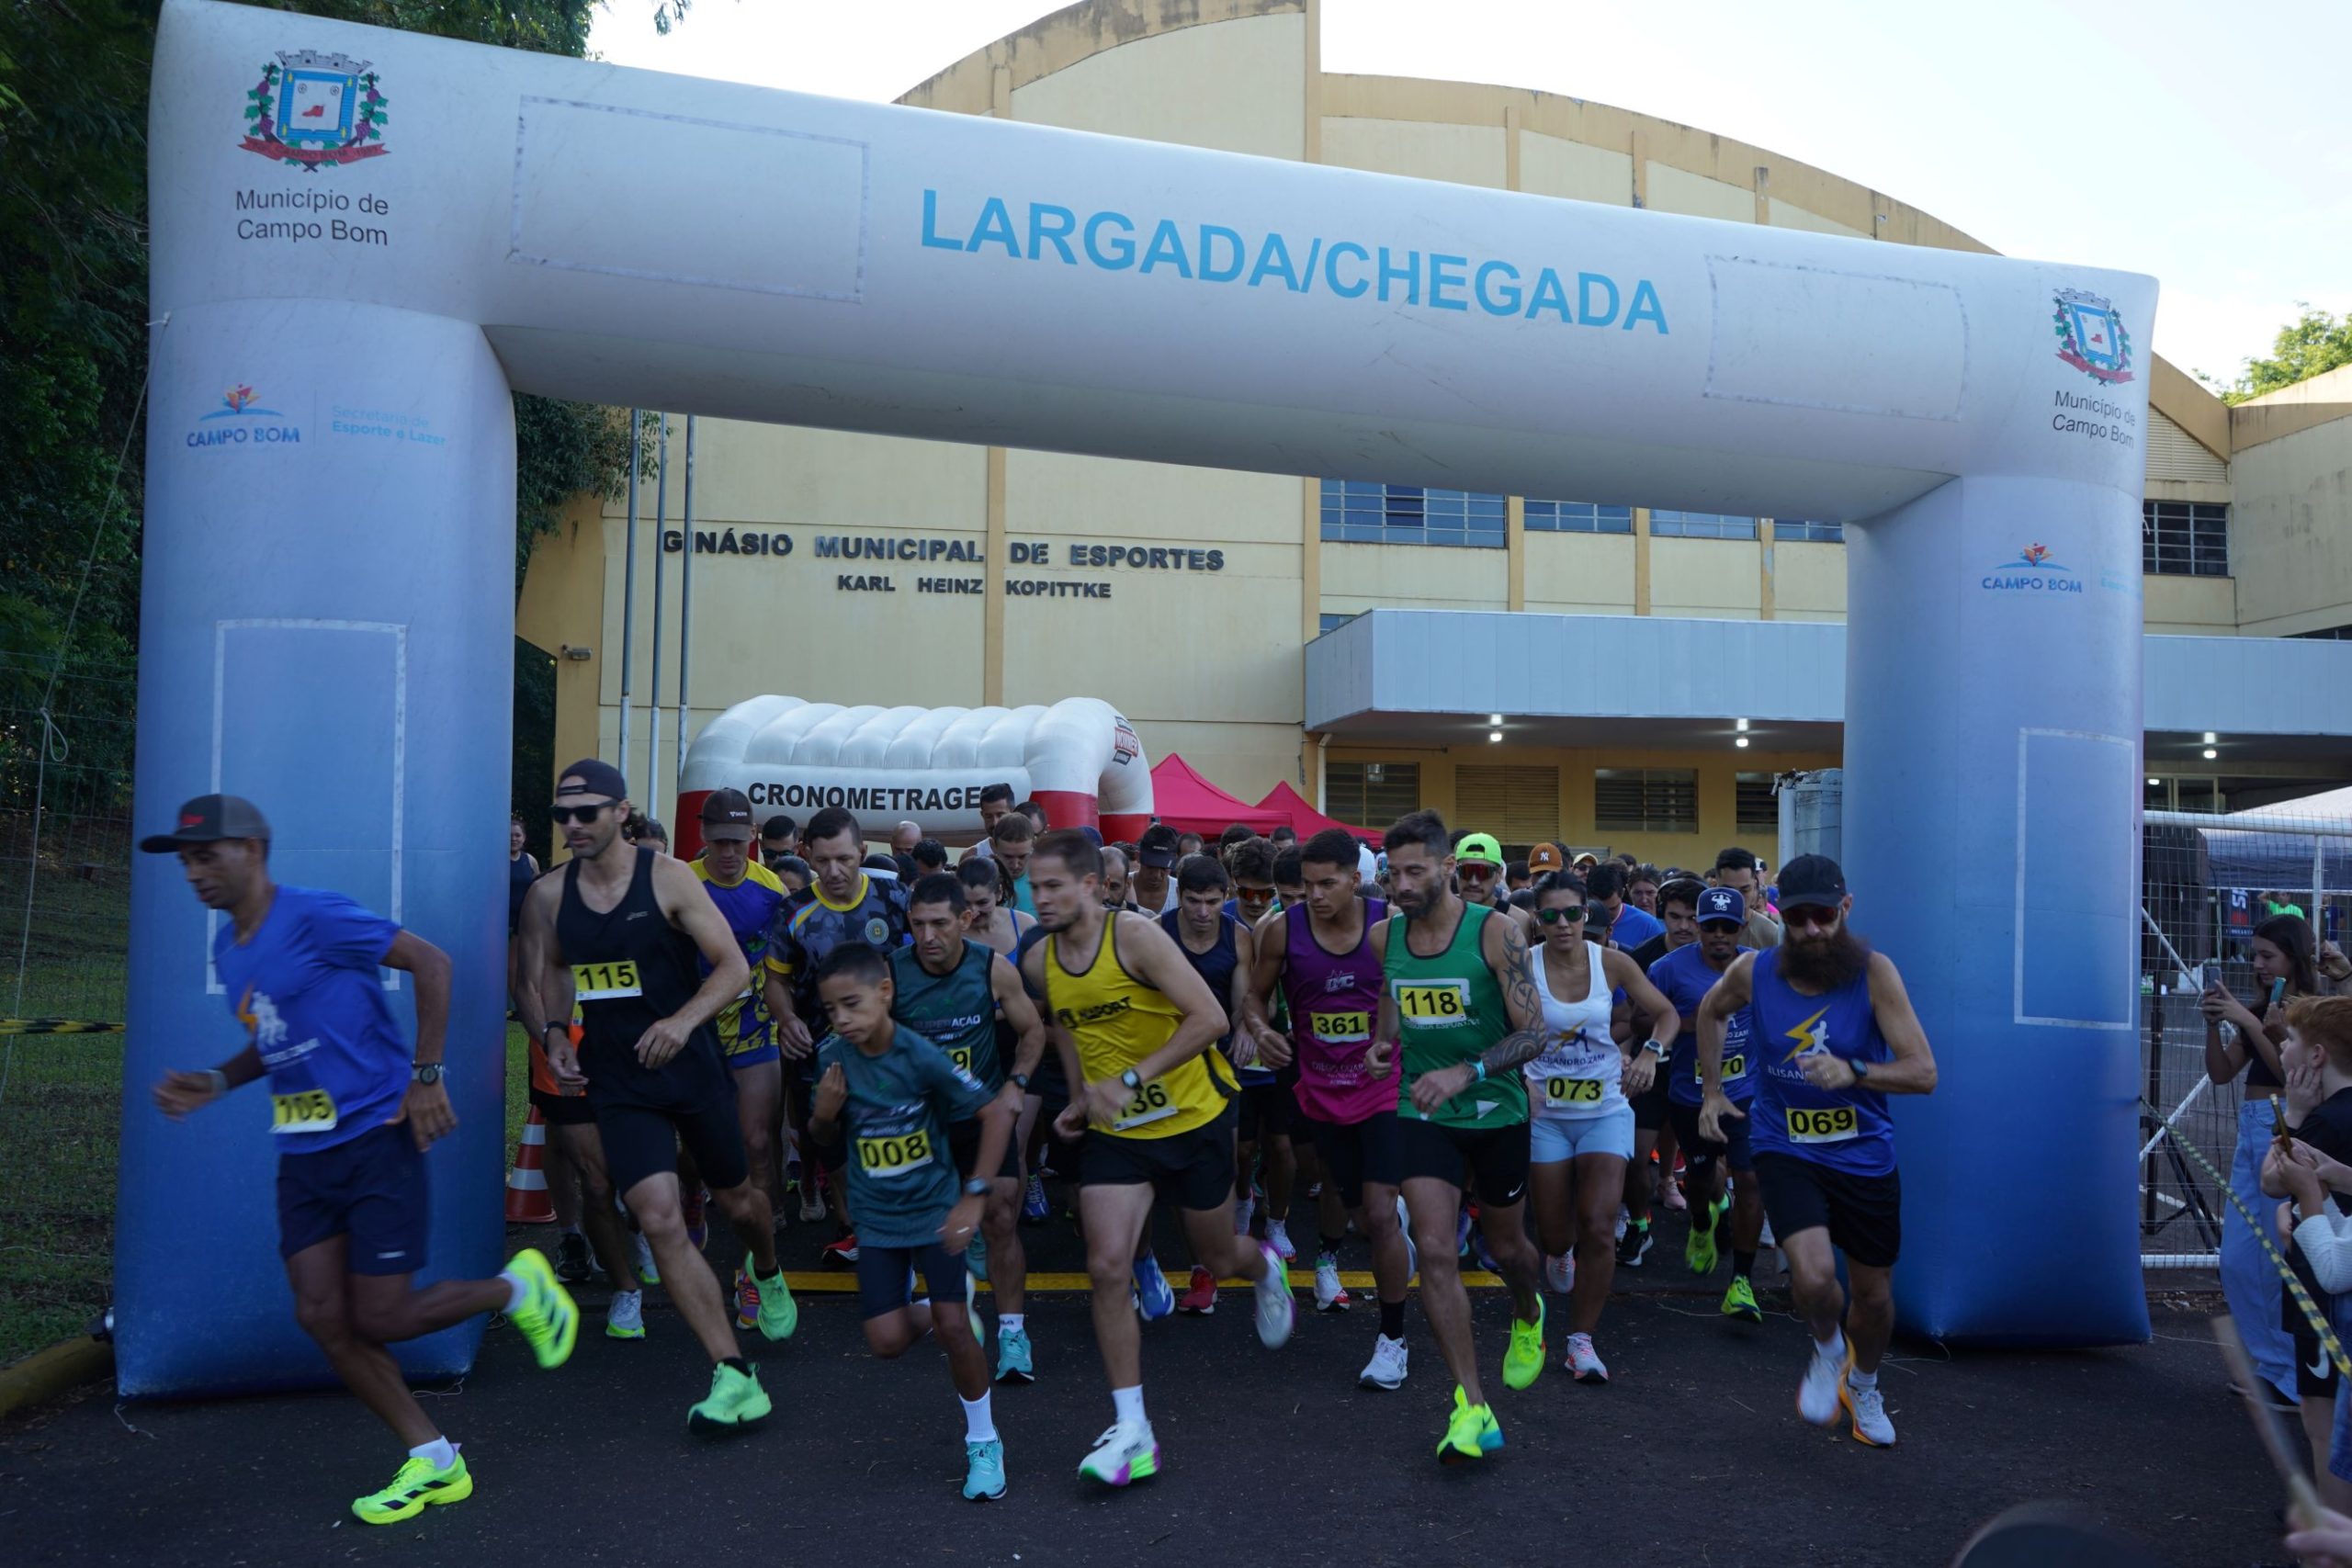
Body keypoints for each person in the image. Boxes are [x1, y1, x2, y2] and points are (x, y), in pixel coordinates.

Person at [145, 794, 579, 1524]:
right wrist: (220, 1079)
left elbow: (431, 963)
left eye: (205, 854)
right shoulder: (231, 947)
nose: (194, 872)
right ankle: (434, 1459)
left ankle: (517, 1289)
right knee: (321, 1315)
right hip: (304, 1153)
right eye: (186, 859)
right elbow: (278, 1038)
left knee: (383, 1313)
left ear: (251, 849)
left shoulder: (315, 915)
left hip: (375, 1136)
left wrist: (427, 1073)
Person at [520, 761, 797, 1430]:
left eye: (587, 812)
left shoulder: (669, 878)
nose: (573, 826)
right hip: (618, 1078)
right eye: (563, 815)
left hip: (691, 1066)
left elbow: (732, 966)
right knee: (658, 1212)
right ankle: (733, 1373)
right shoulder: (550, 895)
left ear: (620, 812)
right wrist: (557, 1031)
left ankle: (766, 1264)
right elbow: (553, 969)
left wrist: (680, 1022)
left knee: (738, 1202)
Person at [1021, 829, 1294, 1485]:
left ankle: (1264, 1268)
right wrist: (1084, 1094)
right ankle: (1133, 1428)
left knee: (1218, 1255)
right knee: (1106, 1262)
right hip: (1119, 1134)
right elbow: (1065, 1026)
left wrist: (1130, 1080)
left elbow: (1209, 1018)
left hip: (1194, 1116)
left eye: (1054, 884)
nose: (1042, 896)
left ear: (1091, 884)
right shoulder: (1039, 961)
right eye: (1035, 886)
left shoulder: (1135, 938)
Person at [1696, 853, 1937, 1448]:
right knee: (1811, 1274)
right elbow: (1710, 1010)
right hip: (1787, 1143)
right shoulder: (1755, 971)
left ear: (1844, 910)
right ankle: (1828, 1349)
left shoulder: (1875, 974)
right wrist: (1711, 1091)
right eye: (1798, 917)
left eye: (1822, 916)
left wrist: (1853, 1070)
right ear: (1783, 913)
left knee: (1875, 1297)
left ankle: (1865, 1381)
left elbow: (1923, 1071)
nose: (1809, 930)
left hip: (1863, 1153)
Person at [1366, 809, 1548, 1463]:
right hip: (1424, 1110)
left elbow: (1535, 1032)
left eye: (1417, 870)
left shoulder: (1498, 932)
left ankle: (1529, 1314)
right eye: (1394, 872)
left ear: (1448, 869)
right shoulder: (1385, 934)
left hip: (1496, 1109)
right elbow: (1394, 995)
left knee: (1508, 1247)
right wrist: (1384, 1044)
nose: (1403, 883)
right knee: (1436, 1249)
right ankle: (1472, 1404)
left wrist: (1465, 1070)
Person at [806, 942, 1020, 1497]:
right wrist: (823, 1116)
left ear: (885, 993)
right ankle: (935, 1307)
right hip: (877, 1222)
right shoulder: (833, 1061)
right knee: (886, 1343)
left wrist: (974, 1195)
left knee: (956, 1330)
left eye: (851, 1004)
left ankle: (984, 1445)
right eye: (831, 1010)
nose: (842, 1019)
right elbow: (823, 1140)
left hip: (933, 1213)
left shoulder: (919, 1054)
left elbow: (996, 1112)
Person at [1248, 829, 1414, 1384]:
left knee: (1381, 1216)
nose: (1315, 895)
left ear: (1355, 879)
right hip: (1320, 1091)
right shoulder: (1281, 931)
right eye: (1307, 885)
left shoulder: (1388, 925)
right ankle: (1383, 1236)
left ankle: (1392, 1340)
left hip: (1384, 1088)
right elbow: (1255, 995)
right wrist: (1259, 1028)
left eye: (1328, 883)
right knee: (1362, 1213)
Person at [1522, 870, 1679, 1383]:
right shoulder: (1523, 968)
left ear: (1586, 916)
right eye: (1551, 915)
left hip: (1606, 1109)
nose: (1563, 924)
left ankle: (1580, 1340)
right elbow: (1503, 1031)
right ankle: (1560, 1253)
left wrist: (1651, 1054)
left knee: (1597, 1223)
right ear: (1538, 920)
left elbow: (1666, 1015)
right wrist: (1520, 1081)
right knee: (1554, 1233)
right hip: (1546, 1115)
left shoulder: (1611, 962)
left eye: (1573, 913)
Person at [894, 873, 1049, 1383]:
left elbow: (1033, 1030)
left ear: (965, 919)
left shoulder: (993, 969)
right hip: (923, 1125)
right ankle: (948, 1302)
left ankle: (1012, 1331)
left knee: (1002, 1215)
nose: (928, 936)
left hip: (982, 1117)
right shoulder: (892, 974)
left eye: (939, 923)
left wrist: (1017, 1084)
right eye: (917, 924)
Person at [766, 805, 913, 1257]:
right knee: (828, 1137)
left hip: (887, 1046)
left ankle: (896, 1221)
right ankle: (851, 1225)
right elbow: (775, 978)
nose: (833, 871)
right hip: (819, 1047)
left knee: (888, 1133)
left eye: (844, 859)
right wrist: (787, 1018)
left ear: (863, 852)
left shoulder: (894, 900)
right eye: (823, 860)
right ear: (808, 855)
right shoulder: (793, 910)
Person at [2206, 913, 2320, 1404]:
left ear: (2294, 958)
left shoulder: (2307, 1013)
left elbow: (2291, 1075)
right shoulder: (2259, 1008)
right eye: (2254, 955)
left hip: (2282, 1129)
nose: (2259, 965)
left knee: (2274, 1258)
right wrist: (2216, 1024)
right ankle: (2274, 1365)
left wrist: (2255, 1023)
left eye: (2268, 956)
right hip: (2253, 1129)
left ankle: (2288, 1374)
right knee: (2237, 1258)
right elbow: (2221, 1073)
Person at [688, 788, 792, 1325]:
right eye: (719, 842)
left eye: (738, 842)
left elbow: (783, 964)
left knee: (757, 1145)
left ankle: (755, 1271)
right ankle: (690, 1199)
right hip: (697, 1033)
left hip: (754, 1030)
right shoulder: (681, 882)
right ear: (703, 837)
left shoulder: (770, 888)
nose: (729, 853)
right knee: (692, 1152)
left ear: (751, 838)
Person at [1159, 853, 1270, 1311]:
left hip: (1219, 1066)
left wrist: (1246, 1030)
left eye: (1210, 901)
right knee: (1174, 1173)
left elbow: (1244, 998)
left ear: (1225, 898)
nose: (1202, 912)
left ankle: (1222, 1247)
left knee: (1222, 1162)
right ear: (1178, 896)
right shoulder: (1156, 933)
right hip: (1168, 1063)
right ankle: (1200, 1267)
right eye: (1192, 901)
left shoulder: (1238, 937)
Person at [1655, 886, 1767, 1322]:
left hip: (1746, 1093)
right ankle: (1701, 1224)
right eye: (1710, 927)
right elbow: (1647, 1016)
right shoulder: (1669, 969)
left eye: (1728, 927)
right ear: (1698, 927)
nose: (1719, 935)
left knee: (1751, 1180)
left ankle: (1742, 1281)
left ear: (1742, 928)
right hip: (1691, 1096)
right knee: (1701, 1180)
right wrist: (1694, 1022)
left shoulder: (1758, 969)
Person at [2259, 994, 2352, 1506]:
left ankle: (2332, 1534)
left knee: (2324, 1422)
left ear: (2316, 1056)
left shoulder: (2327, 1120)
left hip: (2323, 1285)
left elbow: (2273, 1181)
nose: (2284, 1048)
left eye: (2290, 1040)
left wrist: (2292, 1115)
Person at [1216, 837, 1295, 1267]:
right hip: (1237, 1046)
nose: (1255, 900)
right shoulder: (1222, 919)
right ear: (1233, 885)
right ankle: (1244, 1198)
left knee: (1282, 1146)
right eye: (1246, 891)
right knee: (1242, 1149)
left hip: (1281, 1043)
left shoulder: (1292, 918)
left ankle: (1279, 1220)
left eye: (1266, 893)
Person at [1713, 847, 1782, 950]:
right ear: (1715, 886)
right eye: (1730, 891)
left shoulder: (1771, 935)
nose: (1738, 898)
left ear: (1755, 885)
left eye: (1744, 890)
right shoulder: (1702, 929)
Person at [990, 810, 1038, 916]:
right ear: (994, 846)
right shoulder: (985, 882)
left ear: (1033, 844)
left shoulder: (1045, 880)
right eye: (1008, 857)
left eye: (1022, 856)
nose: (1015, 865)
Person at [1132, 824, 1181, 916]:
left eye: (1164, 868)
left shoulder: (1181, 892)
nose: (1156, 875)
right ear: (1138, 857)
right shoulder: (1120, 885)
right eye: (1150, 866)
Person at [967, 784, 1017, 860]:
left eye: (1000, 815)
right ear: (982, 815)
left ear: (1013, 812)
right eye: (989, 816)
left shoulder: (1031, 854)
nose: (995, 822)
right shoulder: (971, 856)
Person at [1099, 844, 1136, 911]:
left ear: (1127, 884)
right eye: (1100, 886)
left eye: (1113, 887)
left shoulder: (1147, 919)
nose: (1105, 896)